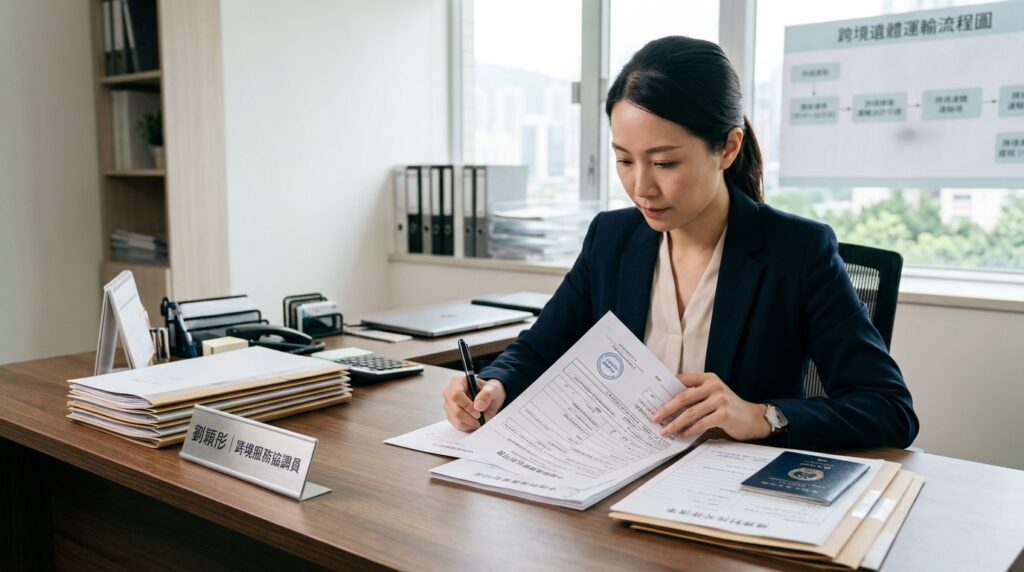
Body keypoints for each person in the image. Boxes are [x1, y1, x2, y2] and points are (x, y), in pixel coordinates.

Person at [442, 36, 919, 450]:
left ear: (727, 148)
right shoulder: (611, 238)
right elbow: (539, 348)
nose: (641, 187)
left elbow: (889, 408)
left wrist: (762, 415)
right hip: (615, 480)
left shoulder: (797, 251)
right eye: (625, 161)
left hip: (723, 501)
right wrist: (493, 385)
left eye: (665, 163)